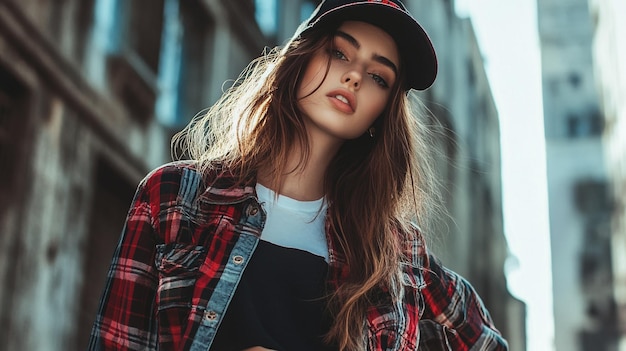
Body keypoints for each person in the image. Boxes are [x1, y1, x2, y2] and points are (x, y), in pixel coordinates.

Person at [88, 0, 509, 350]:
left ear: (381, 115)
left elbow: (486, 343)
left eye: (379, 76)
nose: (354, 76)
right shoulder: (175, 197)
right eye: (339, 52)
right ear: (301, 58)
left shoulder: (396, 253)